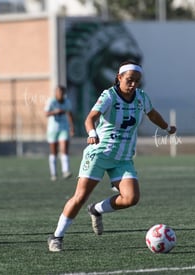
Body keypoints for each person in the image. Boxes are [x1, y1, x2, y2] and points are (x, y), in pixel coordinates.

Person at [47, 61, 177, 252]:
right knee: (80, 196)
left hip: (123, 157)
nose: (133, 85)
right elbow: (90, 118)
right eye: (129, 80)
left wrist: (166, 127)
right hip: (99, 153)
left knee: (131, 198)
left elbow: (152, 114)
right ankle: (57, 236)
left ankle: (96, 209)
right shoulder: (109, 95)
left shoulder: (141, 97)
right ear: (119, 78)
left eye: (137, 81)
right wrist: (92, 134)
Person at [44, 86, 75, 181]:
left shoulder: (67, 101)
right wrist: (55, 112)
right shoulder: (51, 101)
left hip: (64, 128)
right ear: (55, 93)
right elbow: (46, 114)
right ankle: (53, 173)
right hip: (53, 129)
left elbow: (69, 114)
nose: (60, 94)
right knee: (54, 151)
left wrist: (72, 127)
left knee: (64, 148)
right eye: (58, 92)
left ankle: (66, 171)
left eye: (62, 92)